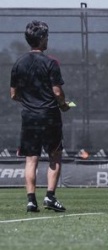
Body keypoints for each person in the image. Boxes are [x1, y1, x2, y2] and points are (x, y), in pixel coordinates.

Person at [10, 20, 71, 213]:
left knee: (31, 159)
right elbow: (57, 92)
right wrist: (63, 105)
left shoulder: (19, 63)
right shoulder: (50, 63)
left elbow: (13, 95)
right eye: (47, 37)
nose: (48, 40)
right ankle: (50, 197)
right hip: (49, 115)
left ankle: (31, 201)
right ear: (42, 38)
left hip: (29, 117)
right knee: (55, 155)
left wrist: (30, 101)